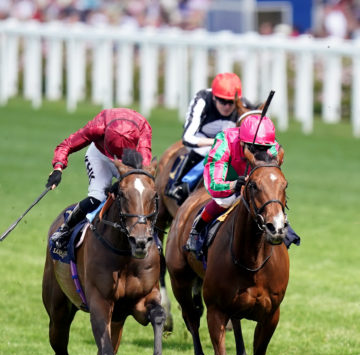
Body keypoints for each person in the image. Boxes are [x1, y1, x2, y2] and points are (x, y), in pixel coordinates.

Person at [185, 113, 299, 253]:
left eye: (263, 148)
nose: (259, 152)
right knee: (225, 202)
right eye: (254, 148)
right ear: (242, 142)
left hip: (255, 180)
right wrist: (232, 185)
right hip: (229, 174)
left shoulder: (272, 147)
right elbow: (214, 185)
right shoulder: (225, 140)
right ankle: (197, 230)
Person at [46, 108, 153, 250]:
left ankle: (154, 241)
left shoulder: (143, 128)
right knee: (97, 196)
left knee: (141, 194)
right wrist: (58, 168)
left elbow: (144, 169)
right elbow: (67, 144)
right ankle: (65, 230)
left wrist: (122, 182)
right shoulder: (98, 126)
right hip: (100, 156)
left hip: (130, 162)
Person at [166, 72, 256, 204]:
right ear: (214, 97)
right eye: (222, 101)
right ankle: (178, 185)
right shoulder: (202, 99)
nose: (227, 106)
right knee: (204, 151)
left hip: (231, 145)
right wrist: (218, 143)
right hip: (204, 140)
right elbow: (187, 137)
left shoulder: (245, 106)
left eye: (231, 102)